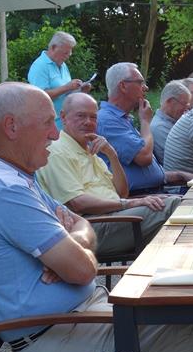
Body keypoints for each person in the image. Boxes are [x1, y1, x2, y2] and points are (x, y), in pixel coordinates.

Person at [0, 82, 193, 352]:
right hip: (57, 335)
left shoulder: (11, 175)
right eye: (47, 123)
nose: (55, 134)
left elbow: (79, 222)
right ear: (11, 127)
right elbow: (83, 270)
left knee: (192, 309)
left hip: (82, 313)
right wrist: (72, 253)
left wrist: (71, 241)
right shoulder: (5, 191)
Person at [35, 93, 181, 261]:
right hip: (90, 228)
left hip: (116, 217)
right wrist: (132, 203)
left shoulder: (90, 151)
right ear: (63, 117)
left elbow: (122, 192)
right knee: (174, 206)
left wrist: (112, 154)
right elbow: (77, 203)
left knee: (175, 202)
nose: (88, 122)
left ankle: (164, 268)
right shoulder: (57, 151)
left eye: (93, 117)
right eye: (81, 116)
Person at [97, 62, 193, 194]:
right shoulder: (107, 121)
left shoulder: (122, 119)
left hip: (156, 191)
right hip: (140, 197)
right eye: (140, 83)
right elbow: (144, 157)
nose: (146, 88)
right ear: (123, 86)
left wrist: (178, 175)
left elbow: (144, 172)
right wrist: (145, 121)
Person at [27, 31, 91, 129]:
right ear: (53, 47)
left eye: (70, 52)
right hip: (50, 125)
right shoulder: (39, 66)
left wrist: (81, 91)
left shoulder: (62, 65)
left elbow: (65, 95)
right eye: (65, 52)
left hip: (66, 122)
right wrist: (67, 87)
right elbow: (40, 97)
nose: (69, 55)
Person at [151, 80, 193, 164]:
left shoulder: (173, 121)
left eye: (187, 106)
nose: (186, 109)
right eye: (184, 104)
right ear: (169, 101)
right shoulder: (159, 127)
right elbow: (185, 154)